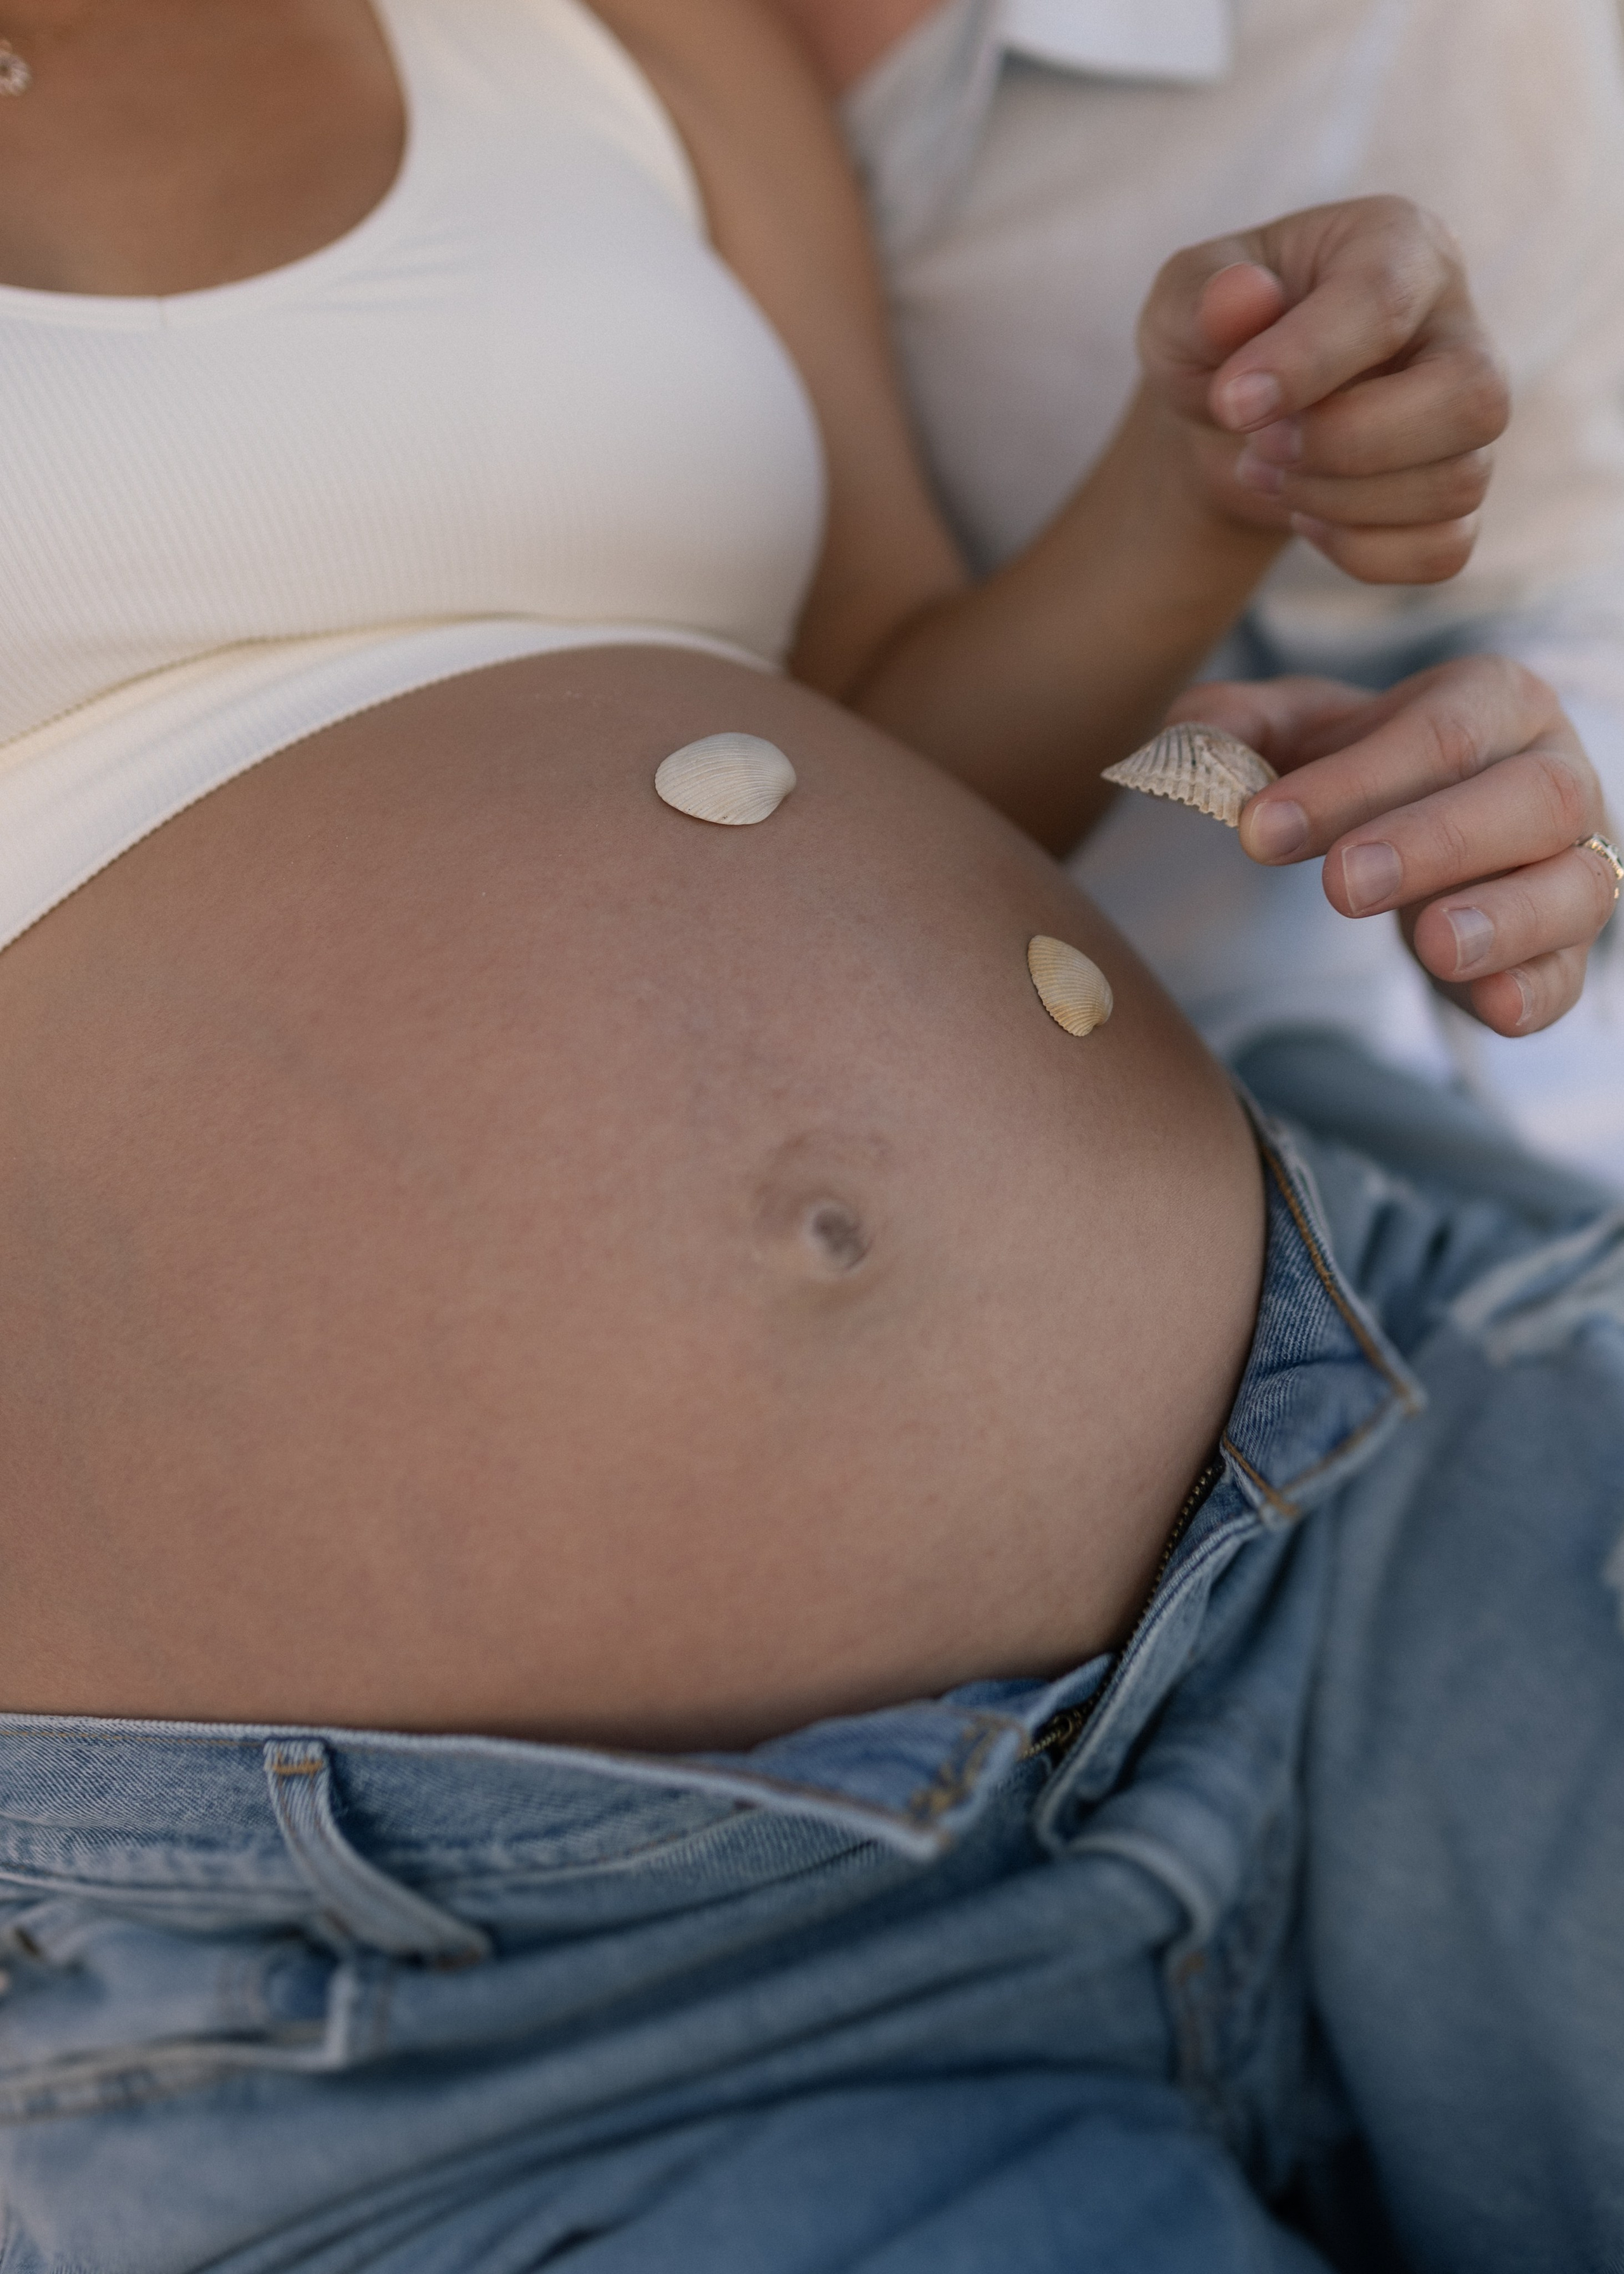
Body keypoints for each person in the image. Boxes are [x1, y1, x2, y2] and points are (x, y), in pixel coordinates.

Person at [0, 2, 1617, 2266]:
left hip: (1347, 1472)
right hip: (509, 2001)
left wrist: (1201, 482)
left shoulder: (619, 36)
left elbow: (881, 702)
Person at [777, 0, 1624, 1184]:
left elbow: (1581, 601)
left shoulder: (1443, 37)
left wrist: (1558, 825)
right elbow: (860, 721)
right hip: (935, 1050)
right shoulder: (620, 55)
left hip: (1414, 1120)